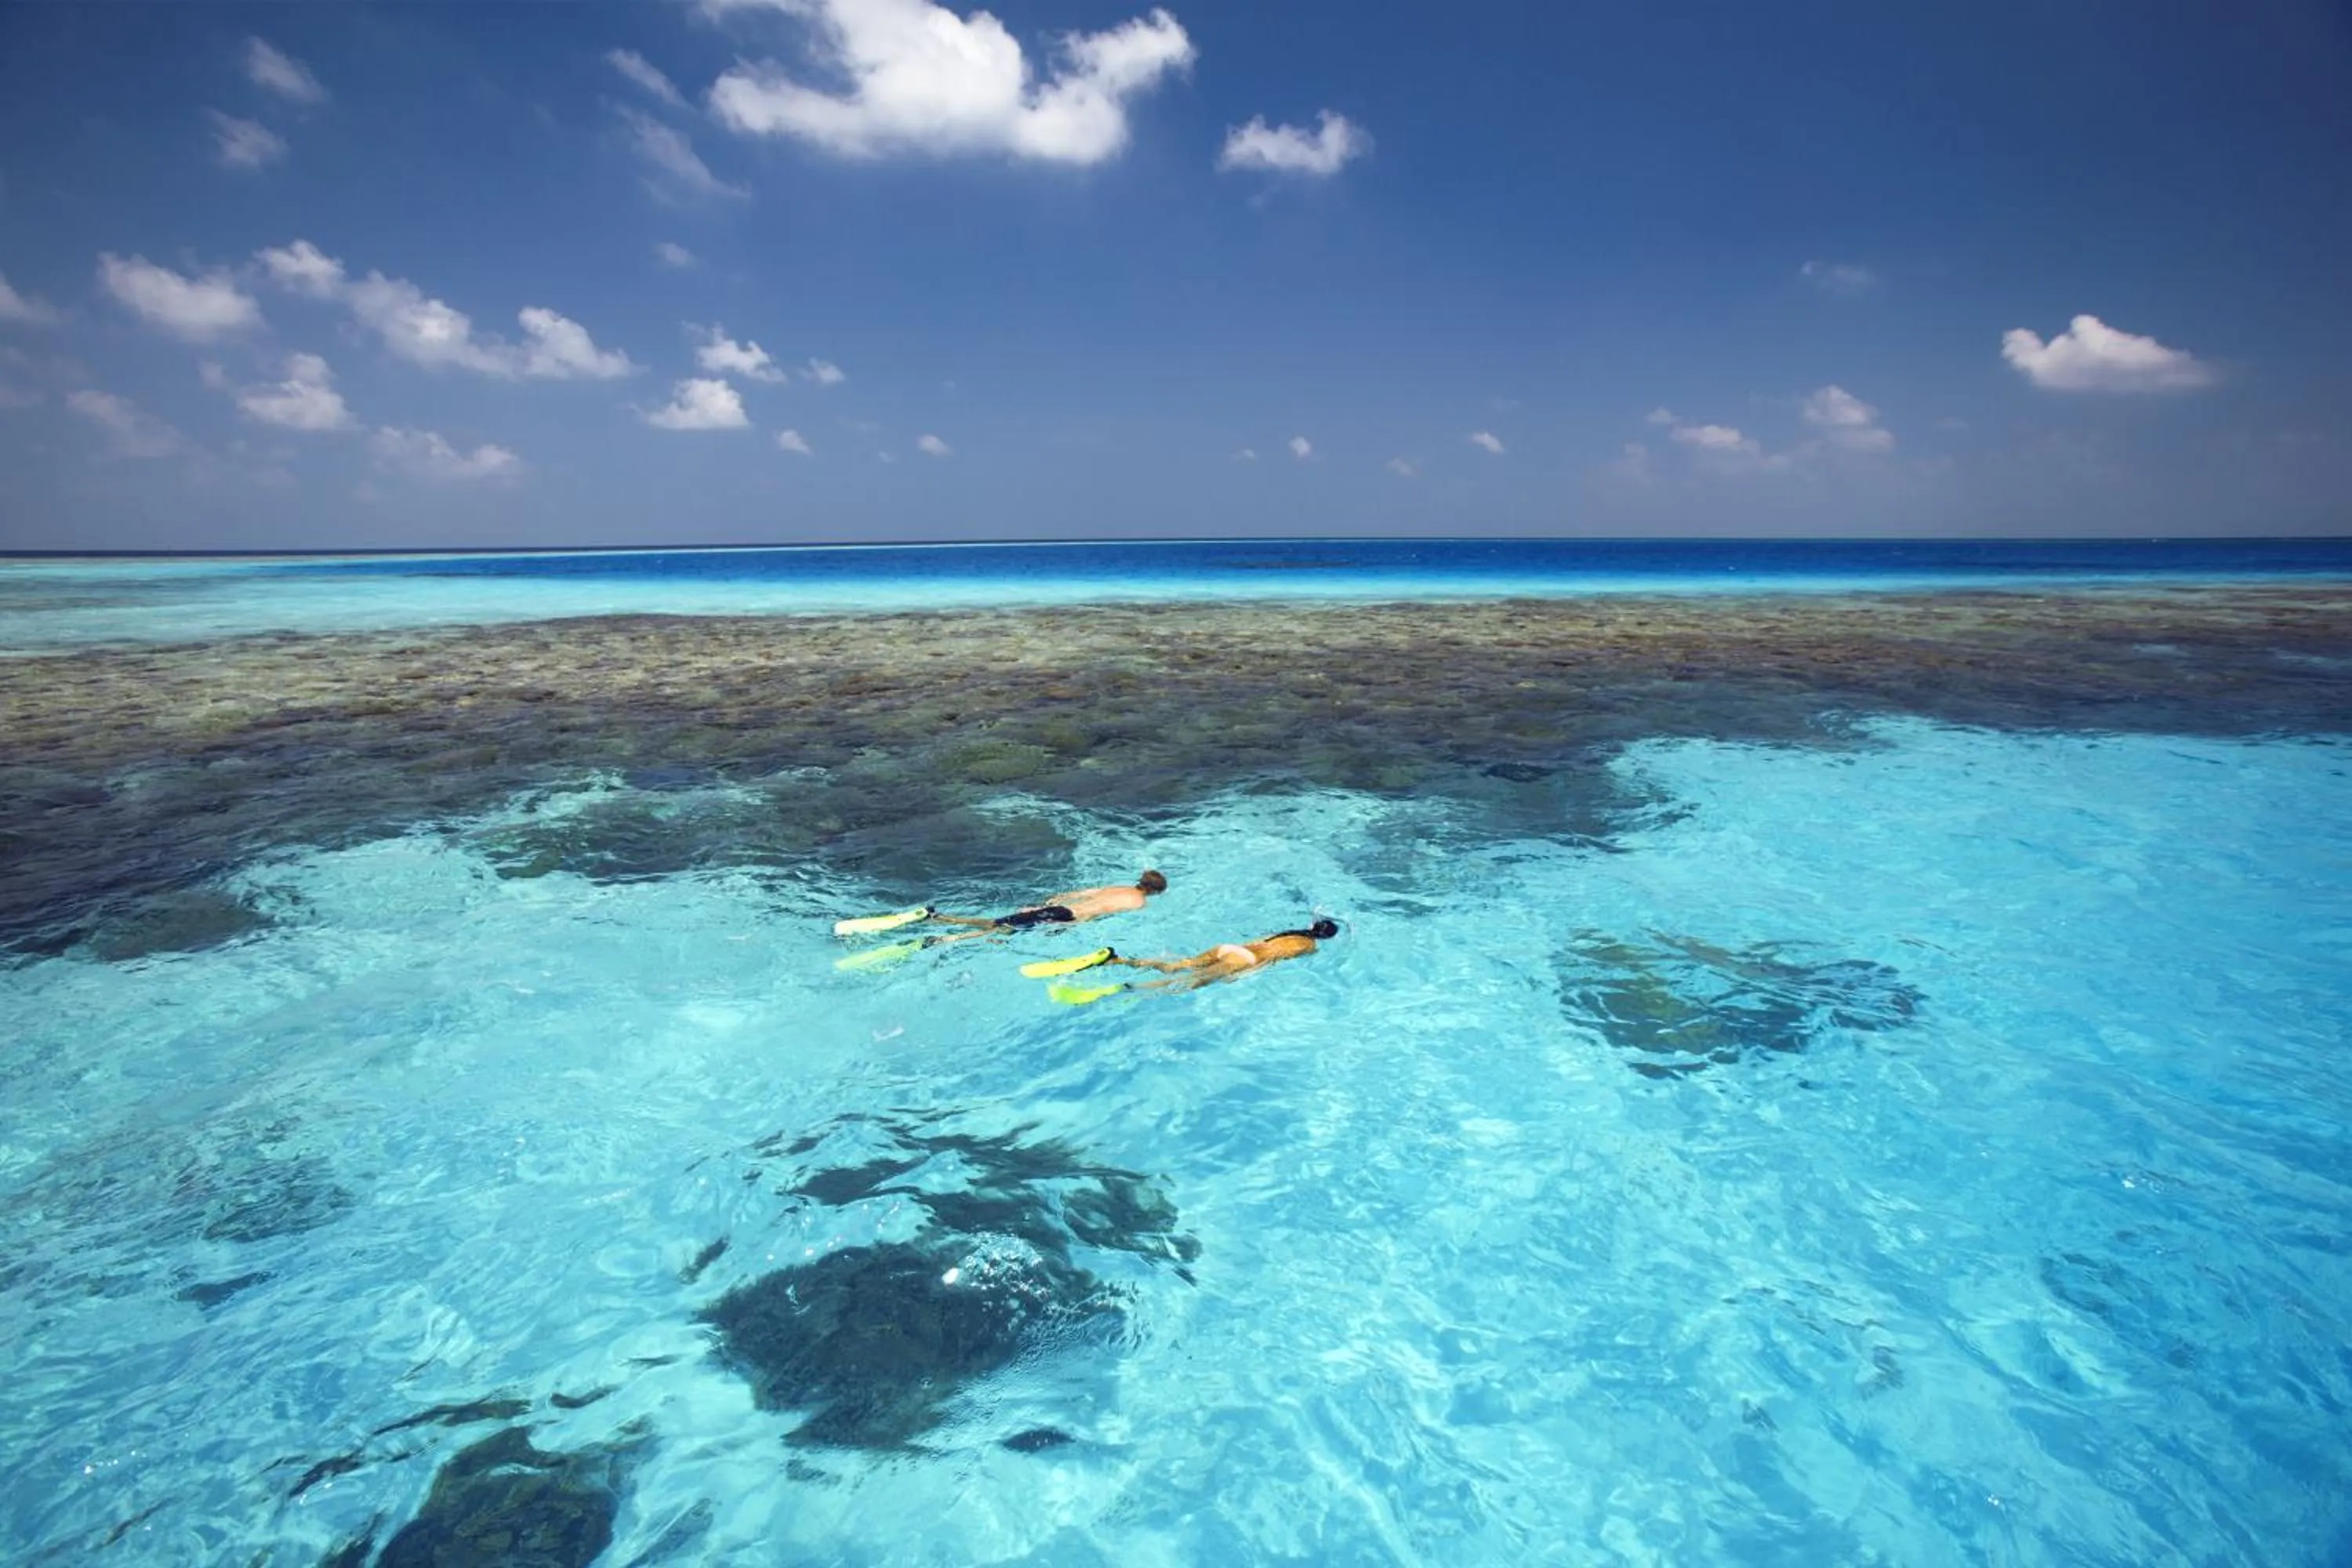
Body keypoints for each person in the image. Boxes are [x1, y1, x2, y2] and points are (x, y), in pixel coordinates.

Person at [1049, 918, 1340, 1004]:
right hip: (1247, 960)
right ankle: (1122, 989)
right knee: (1186, 984)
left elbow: (1264, 944)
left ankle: (1118, 961)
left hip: (1231, 948)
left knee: (1181, 965)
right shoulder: (1309, 947)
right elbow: (1273, 962)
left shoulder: (1287, 931)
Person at [924, 869, 1168, 935]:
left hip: (1059, 908)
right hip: (1066, 918)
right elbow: (1101, 915)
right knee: (1000, 927)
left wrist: (1050, 902)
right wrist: (1070, 927)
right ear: (1155, 892)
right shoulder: (1138, 904)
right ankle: (944, 929)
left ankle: (944, 921)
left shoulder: (1118, 887)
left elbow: (1083, 893)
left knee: (1004, 926)